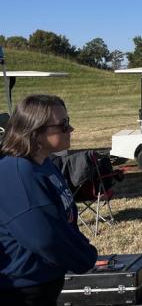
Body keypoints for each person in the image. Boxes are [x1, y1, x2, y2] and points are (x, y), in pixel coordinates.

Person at [0, 95, 98, 306]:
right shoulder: (16, 173)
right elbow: (44, 237)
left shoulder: (44, 163)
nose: (70, 129)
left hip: (45, 284)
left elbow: (63, 220)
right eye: (63, 125)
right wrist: (85, 257)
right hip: (20, 292)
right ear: (35, 133)